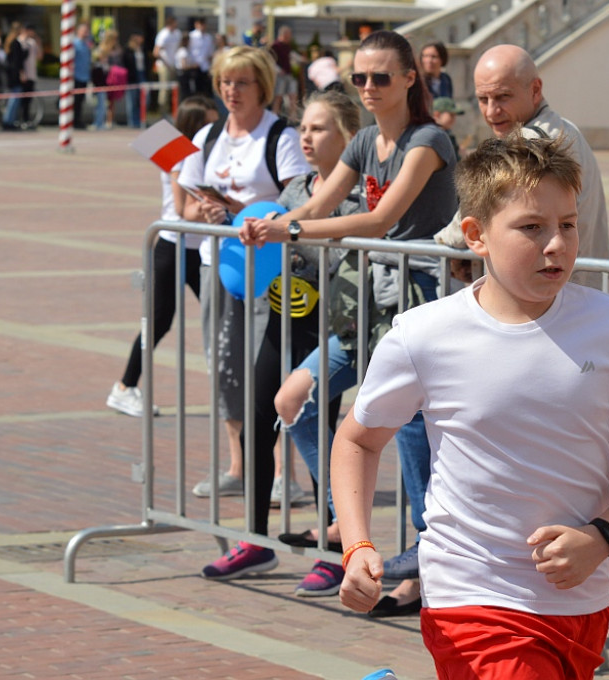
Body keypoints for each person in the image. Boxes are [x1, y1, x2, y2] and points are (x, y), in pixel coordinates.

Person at [333, 133, 609, 680]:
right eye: (531, 227)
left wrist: (602, 537)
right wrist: (356, 544)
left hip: (579, 597)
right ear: (476, 235)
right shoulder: (424, 334)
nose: (557, 244)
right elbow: (358, 438)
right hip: (470, 594)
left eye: (567, 224)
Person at [223, 32, 457, 611]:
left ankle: (423, 566)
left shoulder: (428, 141)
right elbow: (318, 204)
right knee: (294, 399)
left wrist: (292, 229)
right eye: (360, 78)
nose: (370, 88)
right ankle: (343, 525)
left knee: (409, 434)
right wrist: (271, 221)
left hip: (417, 295)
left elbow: (380, 219)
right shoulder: (366, 144)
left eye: (381, 77)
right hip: (367, 307)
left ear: (409, 79)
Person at [204, 91, 364, 597]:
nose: (307, 138)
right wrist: (241, 221)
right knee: (256, 420)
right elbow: (276, 229)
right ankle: (254, 539)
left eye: (319, 129)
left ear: (347, 136)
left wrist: (292, 242)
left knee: (317, 428)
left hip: (327, 325)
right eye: (303, 129)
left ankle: (336, 548)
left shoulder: (358, 197)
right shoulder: (296, 186)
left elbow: (332, 246)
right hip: (281, 317)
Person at [176, 46, 311, 504]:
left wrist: (241, 210)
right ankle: (238, 465)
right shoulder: (207, 135)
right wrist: (206, 209)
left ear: (263, 88)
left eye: (242, 83)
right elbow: (185, 203)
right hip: (221, 264)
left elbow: (300, 201)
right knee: (225, 367)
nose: (232, 91)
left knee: (269, 368)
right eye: (225, 83)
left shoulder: (281, 137)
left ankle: (281, 474)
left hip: (271, 269)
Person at [434, 44, 609, 295]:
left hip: (555, 301)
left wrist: (441, 246)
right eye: (483, 99)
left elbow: (466, 222)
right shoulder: (565, 129)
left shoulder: (528, 141)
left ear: (535, 90)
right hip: (582, 297)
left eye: (502, 97)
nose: (491, 111)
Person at [107, 95, 219, 418]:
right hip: (174, 247)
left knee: (222, 317)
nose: (216, 129)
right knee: (158, 322)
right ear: (196, 125)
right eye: (210, 123)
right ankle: (125, 387)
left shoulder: (198, 155)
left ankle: (236, 386)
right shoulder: (181, 158)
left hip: (198, 248)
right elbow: (185, 209)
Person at [153, 15, 181, 114]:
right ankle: (163, 113)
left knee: (174, 90)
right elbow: (156, 52)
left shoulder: (177, 33)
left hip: (174, 65)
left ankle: (173, 112)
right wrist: (166, 64)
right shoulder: (163, 35)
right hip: (164, 66)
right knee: (164, 90)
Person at [2, 23, 27, 130]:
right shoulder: (16, 43)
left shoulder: (9, 41)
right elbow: (17, 61)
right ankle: (8, 121)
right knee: (14, 99)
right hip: (15, 75)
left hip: (10, 74)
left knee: (13, 98)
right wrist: (21, 73)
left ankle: (9, 120)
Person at [269, 26, 298, 114]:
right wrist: (278, 70)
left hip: (288, 74)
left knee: (293, 95)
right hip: (280, 75)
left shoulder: (287, 46)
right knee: (278, 96)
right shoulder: (275, 46)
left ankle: (293, 117)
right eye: (289, 35)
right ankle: (275, 115)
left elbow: (291, 56)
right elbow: (270, 60)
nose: (290, 37)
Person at [122, 33, 147, 128]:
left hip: (141, 75)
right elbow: (126, 63)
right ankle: (132, 122)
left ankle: (140, 120)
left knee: (142, 100)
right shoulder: (128, 50)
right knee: (131, 101)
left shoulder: (142, 49)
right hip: (132, 78)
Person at [72, 22, 92, 129]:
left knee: (80, 100)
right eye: (84, 31)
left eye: (87, 32)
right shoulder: (75, 44)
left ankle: (78, 120)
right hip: (76, 76)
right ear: (78, 31)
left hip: (84, 76)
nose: (86, 34)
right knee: (75, 100)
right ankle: (74, 120)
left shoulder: (86, 44)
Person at [188, 17, 214, 96]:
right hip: (195, 66)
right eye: (200, 24)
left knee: (206, 88)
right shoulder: (192, 36)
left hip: (205, 66)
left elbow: (210, 52)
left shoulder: (208, 37)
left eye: (203, 24)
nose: (202, 27)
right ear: (196, 25)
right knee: (196, 88)